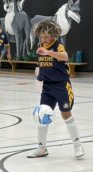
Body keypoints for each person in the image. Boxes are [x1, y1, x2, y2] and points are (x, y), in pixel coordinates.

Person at [27, 20, 84, 158]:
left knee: (66, 114)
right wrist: (38, 71)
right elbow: (43, 63)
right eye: (41, 36)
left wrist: (47, 52)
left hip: (61, 85)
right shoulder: (41, 45)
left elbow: (64, 57)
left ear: (53, 36)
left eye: (46, 37)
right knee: (42, 116)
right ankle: (42, 148)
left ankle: (77, 146)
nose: (43, 39)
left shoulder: (58, 46)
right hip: (47, 87)